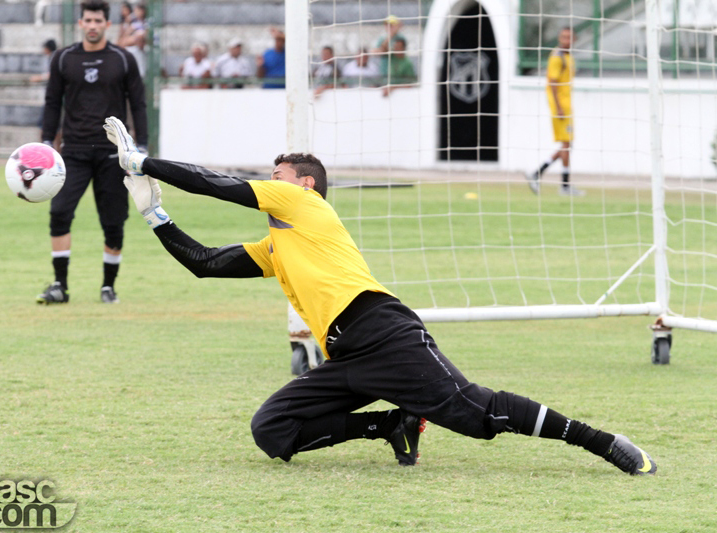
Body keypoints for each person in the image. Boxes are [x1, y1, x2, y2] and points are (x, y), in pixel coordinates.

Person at [102, 115, 658, 476]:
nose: (269, 182)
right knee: (271, 430)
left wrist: (142, 161)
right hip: (346, 356)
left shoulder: (305, 204)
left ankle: (601, 441)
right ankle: (389, 424)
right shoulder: (277, 245)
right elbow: (204, 264)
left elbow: (216, 183)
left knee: (478, 415)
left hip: (384, 332)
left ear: (304, 184)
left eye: (278, 175)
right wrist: (154, 213)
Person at [37, 0, 147, 305]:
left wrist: (142, 146)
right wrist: (46, 142)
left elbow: (138, 103)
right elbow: (52, 102)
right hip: (73, 151)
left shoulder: (123, 59)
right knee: (59, 212)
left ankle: (108, 287)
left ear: (107, 24)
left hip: (113, 154)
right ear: (81, 23)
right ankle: (59, 285)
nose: (93, 26)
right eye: (88, 20)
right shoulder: (63, 59)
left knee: (113, 222)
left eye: (98, 21)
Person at [526, 27, 583, 197]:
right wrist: (558, 107)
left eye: (569, 37)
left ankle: (537, 173)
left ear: (574, 39)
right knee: (566, 145)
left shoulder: (568, 57)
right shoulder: (557, 57)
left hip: (567, 106)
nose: (566, 40)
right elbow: (552, 82)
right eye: (563, 36)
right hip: (560, 108)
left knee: (567, 145)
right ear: (559, 38)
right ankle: (564, 186)